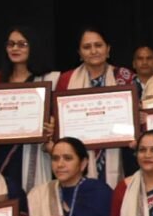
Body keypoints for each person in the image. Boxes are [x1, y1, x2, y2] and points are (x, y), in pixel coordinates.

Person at [54, 27, 135, 188]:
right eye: (87, 47)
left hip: (121, 152)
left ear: (108, 49)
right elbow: (57, 119)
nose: (93, 51)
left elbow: (136, 117)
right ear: (79, 53)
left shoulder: (125, 77)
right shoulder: (66, 80)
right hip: (79, 152)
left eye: (98, 45)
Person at [0, 26, 58, 194]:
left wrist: (54, 126)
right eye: (11, 44)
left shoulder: (50, 78)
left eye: (22, 44)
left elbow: (57, 117)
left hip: (33, 151)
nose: (15, 48)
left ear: (33, 47)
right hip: (3, 149)